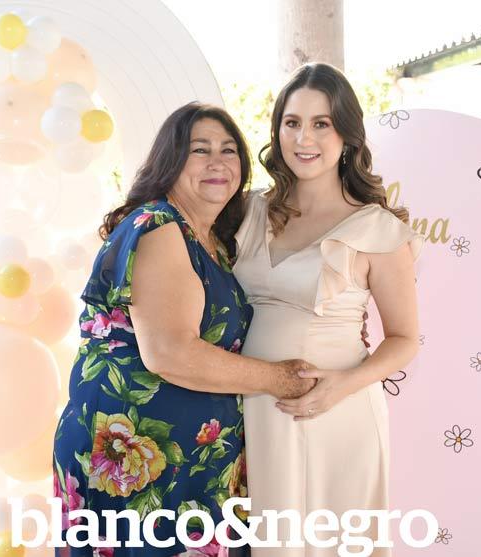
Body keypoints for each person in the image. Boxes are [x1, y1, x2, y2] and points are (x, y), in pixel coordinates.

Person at [52, 102, 314, 557]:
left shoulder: (213, 242)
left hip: (190, 464)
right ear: (170, 161)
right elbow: (170, 352)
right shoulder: (158, 226)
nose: (217, 162)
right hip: (135, 462)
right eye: (200, 150)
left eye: (229, 150)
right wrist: (280, 378)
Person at [233, 63, 423, 557]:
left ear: (347, 134)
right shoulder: (249, 211)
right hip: (255, 411)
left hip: (337, 411)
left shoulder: (377, 228)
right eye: (292, 122)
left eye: (322, 123)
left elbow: (405, 339)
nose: (304, 138)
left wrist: (342, 385)